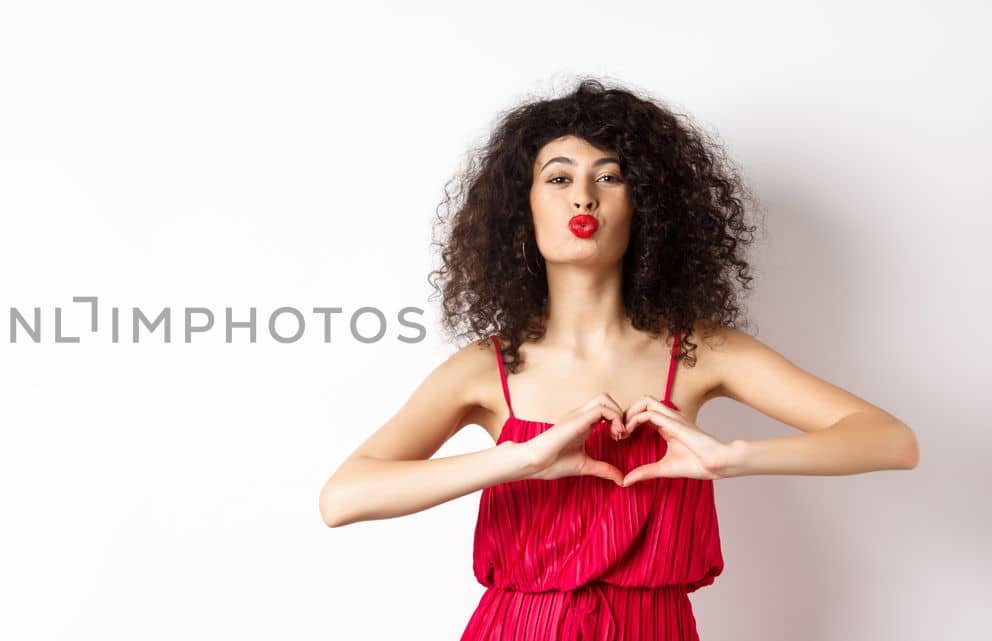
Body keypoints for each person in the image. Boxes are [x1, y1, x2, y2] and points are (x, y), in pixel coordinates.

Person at [317, 78, 920, 641]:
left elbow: (890, 440)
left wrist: (732, 458)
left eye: (610, 177)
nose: (583, 195)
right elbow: (344, 497)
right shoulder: (487, 368)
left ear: (647, 205)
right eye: (558, 178)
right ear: (521, 210)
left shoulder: (701, 353)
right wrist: (517, 460)